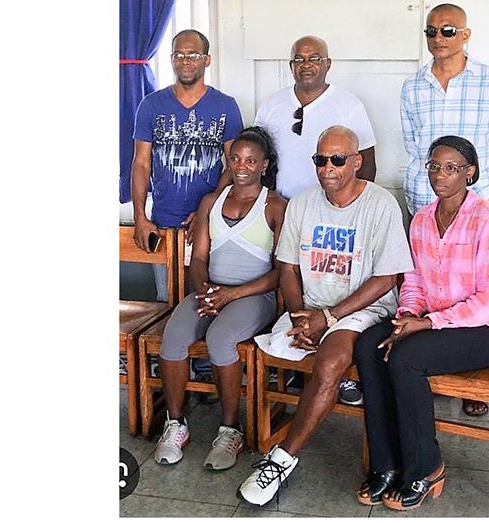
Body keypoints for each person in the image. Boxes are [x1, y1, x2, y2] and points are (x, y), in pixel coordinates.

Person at [236, 126, 413, 507]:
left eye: (337, 159)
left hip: (361, 309)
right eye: (320, 160)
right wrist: (302, 316)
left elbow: (387, 278)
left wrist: (328, 317)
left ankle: (281, 460)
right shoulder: (302, 203)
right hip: (311, 307)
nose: (327, 168)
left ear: (357, 161)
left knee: (331, 362)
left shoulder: (381, 204)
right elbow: (287, 268)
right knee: (296, 351)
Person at [351, 135, 489, 511]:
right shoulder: (423, 220)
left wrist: (426, 325)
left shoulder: (488, 222)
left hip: (486, 331)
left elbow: (486, 302)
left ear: (469, 173)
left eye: (451, 168)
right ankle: (386, 465)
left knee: (405, 358)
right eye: (434, 166)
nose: (440, 175)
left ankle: (425, 468)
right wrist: (409, 314)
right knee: (368, 345)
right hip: (429, 322)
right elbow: (412, 281)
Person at [400, 3, 489, 416]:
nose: (438, 38)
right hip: (425, 199)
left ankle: (473, 376)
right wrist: (438, 192)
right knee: (430, 283)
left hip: (477, 200)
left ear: (465, 35)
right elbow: (415, 147)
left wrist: (470, 197)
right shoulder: (413, 87)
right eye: (431, 31)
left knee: (475, 286)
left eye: (448, 31)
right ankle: (430, 366)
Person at [152, 126, 287, 470]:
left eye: (251, 160)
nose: (242, 166)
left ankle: (230, 429)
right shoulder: (210, 202)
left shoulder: (275, 206)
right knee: (174, 337)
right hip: (210, 291)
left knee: (220, 338)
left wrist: (231, 295)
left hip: (254, 296)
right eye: (236, 158)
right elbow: (198, 259)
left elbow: (281, 271)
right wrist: (205, 290)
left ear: (264, 165)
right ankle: (175, 423)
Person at [254, 35, 377, 404]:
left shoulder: (348, 104)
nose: (306, 64)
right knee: (289, 279)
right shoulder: (273, 103)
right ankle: (296, 361)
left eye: (314, 58)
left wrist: (350, 209)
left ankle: (342, 371)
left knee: (334, 281)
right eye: (299, 58)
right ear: (291, 65)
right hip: (284, 210)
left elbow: (366, 162)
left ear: (328, 63)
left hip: (336, 213)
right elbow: (261, 155)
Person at [131, 29, 244, 382]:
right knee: (170, 304)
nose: (186, 60)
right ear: (171, 60)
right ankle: (177, 374)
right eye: (179, 54)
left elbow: (234, 166)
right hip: (165, 223)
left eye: (194, 54)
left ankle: (207, 370)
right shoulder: (151, 105)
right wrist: (139, 217)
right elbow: (141, 163)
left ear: (207, 60)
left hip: (213, 226)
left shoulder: (225, 106)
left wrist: (207, 211)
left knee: (206, 297)